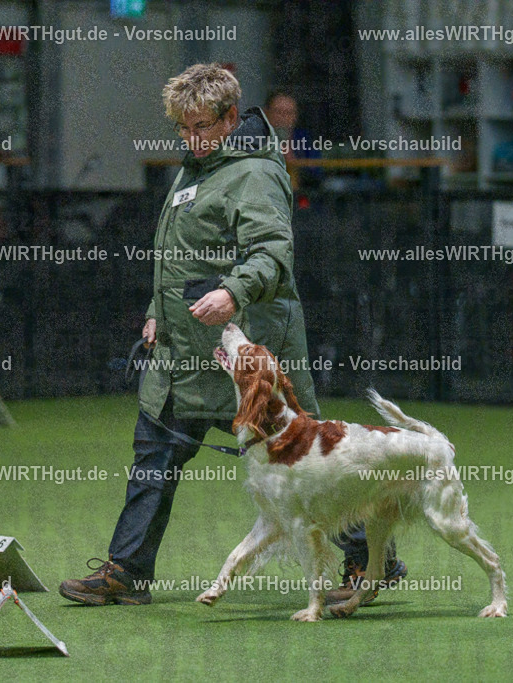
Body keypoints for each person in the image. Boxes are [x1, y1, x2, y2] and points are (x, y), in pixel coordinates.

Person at [59, 63, 405, 606]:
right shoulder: (195, 169)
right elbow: (178, 260)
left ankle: (370, 561)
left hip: (249, 355)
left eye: (200, 126)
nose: (190, 138)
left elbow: (272, 254)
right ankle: (127, 572)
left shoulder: (255, 174)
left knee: (308, 464)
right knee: (154, 454)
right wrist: (156, 311)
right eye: (182, 128)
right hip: (182, 353)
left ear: (229, 119)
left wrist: (233, 293)